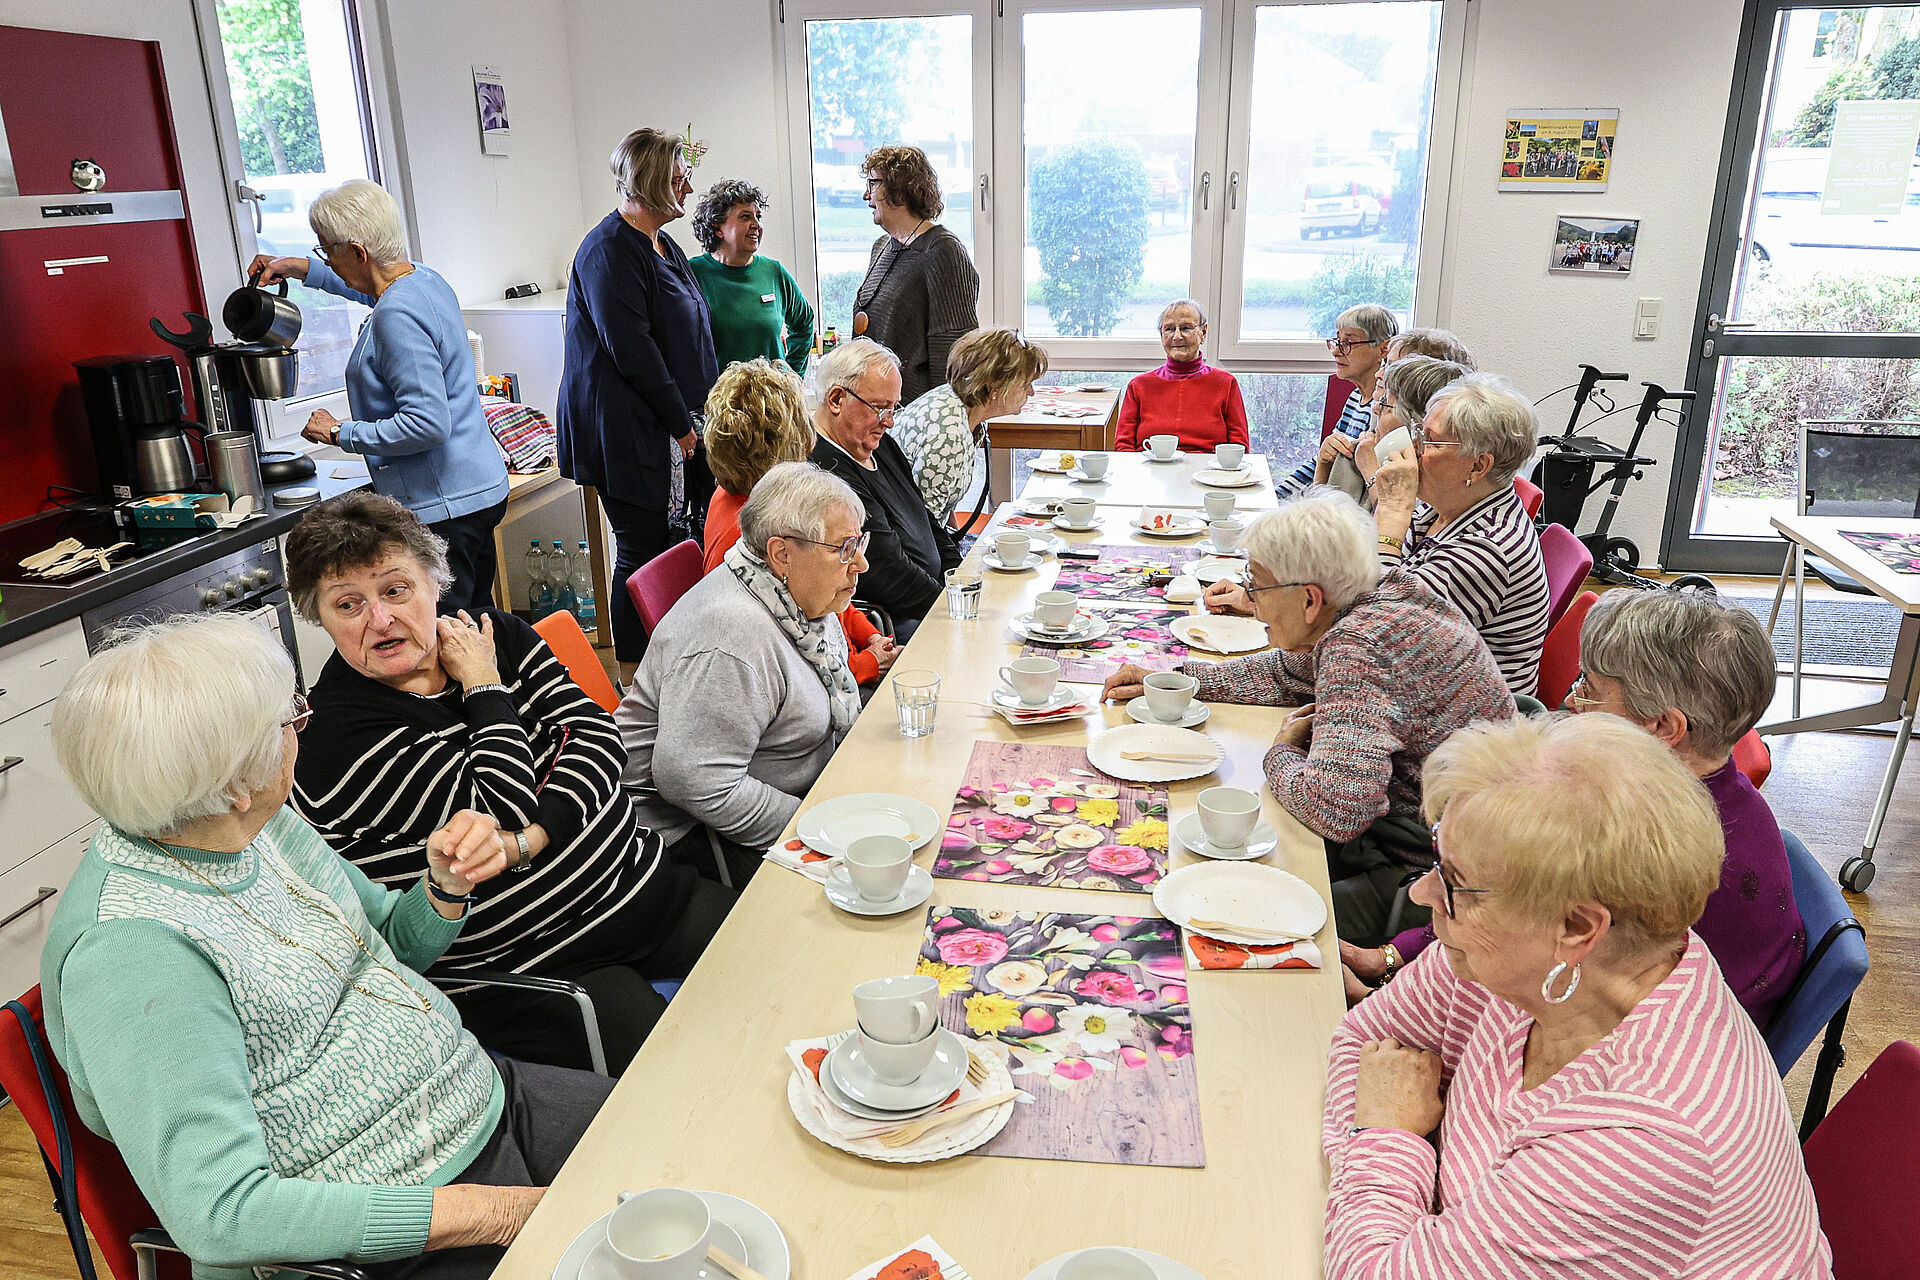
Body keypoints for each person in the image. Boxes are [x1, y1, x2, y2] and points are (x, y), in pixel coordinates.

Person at [43, 615, 613, 1280]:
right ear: (234, 781)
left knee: (684, 1147)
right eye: (287, 717)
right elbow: (222, 1213)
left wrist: (444, 887)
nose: (300, 724)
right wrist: (496, 1214)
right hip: (382, 1227)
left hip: (477, 1098)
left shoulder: (260, 824)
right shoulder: (131, 951)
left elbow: (391, 945)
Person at [1322, 713, 1832, 1279]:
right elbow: (1361, 1040)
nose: (1423, 893)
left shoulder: (1640, 1142)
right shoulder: (1518, 959)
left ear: (1576, 928)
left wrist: (1387, 1135)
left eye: (1456, 882)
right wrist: (1392, 1196)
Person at [286, 492, 733, 1075]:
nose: (381, 619)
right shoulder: (334, 737)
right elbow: (500, 806)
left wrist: (532, 841)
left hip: (642, 890)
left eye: (396, 590)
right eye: (348, 604)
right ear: (320, 618)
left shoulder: (492, 630)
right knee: (691, 1073)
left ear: (433, 581)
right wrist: (485, 688)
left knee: (785, 963)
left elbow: (598, 740)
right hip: (533, 966)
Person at [1346, 590, 1808, 1024]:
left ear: (1663, 726)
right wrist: (1391, 959)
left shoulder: (1634, 849)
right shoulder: (1702, 797)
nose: (1571, 700)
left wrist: (1376, 1002)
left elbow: (1520, 980)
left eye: (1591, 689)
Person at [1105, 489, 1514, 942]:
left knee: (1215, 907)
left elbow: (1336, 810)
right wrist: (1179, 680)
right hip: (1449, 839)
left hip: (1449, 882)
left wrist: (1280, 752)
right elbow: (1288, 673)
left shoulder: (1360, 647)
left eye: (1256, 585)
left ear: (1310, 600)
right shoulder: (1380, 594)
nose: (1253, 601)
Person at [251, 180, 509, 614]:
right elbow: (365, 285)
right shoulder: (422, 279)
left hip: (443, 506)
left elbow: (427, 423)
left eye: (326, 251)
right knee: (476, 624)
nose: (326, 260)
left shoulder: (396, 316)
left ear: (357, 252)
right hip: (478, 488)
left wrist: (339, 432)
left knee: (446, 637)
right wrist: (300, 269)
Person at [619, 462, 867, 886]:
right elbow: (693, 780)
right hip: (689, 837)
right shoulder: (732, 638)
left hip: (793, 794)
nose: (860, 563)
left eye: (860, 542)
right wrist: (815, 825)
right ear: (781, 553)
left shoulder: (796, 594)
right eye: (843, 548)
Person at [558, 128, 720, 679]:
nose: (689, 186)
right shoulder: (607, 251)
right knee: (643, 550)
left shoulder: (662, 242)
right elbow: (633, 350)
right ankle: (631, 677)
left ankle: (674, 666)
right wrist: (682, 423)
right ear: (652, 181)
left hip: (674, 421)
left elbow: (691, 329)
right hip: (626, 430)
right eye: (679, 178)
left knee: (676, 545)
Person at [701, 358, 899, 686]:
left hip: (841, 657)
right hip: (821, 679)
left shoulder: (736, 494)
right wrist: (869, 662)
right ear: (790, 440)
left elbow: (828, 595)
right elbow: (795, 652)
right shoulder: (755, 530)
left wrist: (870, 637)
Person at [1359, 373, 1552, 696]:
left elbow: (1379, 630)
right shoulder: (1443, 507)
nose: (1414, 448)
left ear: (1477, 467)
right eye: (1419, 433)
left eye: (1431, 441)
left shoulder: (1490, 547)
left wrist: (1392, 511)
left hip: (1466, 727)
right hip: (1415, 687)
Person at [809, 339, 960, 641]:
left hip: (931, 599)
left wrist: (960, 577)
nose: (889, 422)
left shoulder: (879, 444)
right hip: (898, 617)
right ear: (837, 399)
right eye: (880, 409)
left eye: (894, 407)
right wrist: (949, 606)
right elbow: (886, 571)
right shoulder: (825, 469)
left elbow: (927, 519)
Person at [851, 145, 980, 405]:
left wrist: (941, 424)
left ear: (900, 188)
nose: (867, 195)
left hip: (915, 417)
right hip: (877, 412)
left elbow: (953, 356)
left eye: (873, 184)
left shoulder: (943, 252)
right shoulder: (882, 246)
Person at [893, 327, 1049, 520]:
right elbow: (923, 525)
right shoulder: (949, 436)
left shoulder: (954, 404)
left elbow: (940, 509)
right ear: (993, 388)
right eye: (1025, 384)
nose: (1031, 392)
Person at [687, 178, 814, 374]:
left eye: (758, 217)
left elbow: (804, 323)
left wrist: (792, 376)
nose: (756, 225)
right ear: (718, 227)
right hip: (719, 401)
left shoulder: (774, 272)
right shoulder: (693, 273)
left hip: (771, 400)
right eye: (745, 217)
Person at [1278, 303, 1399, 496]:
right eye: (1337, 341)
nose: (1336, 351)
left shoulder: (1386, 410)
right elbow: (1325, 458)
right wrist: (1278, 496)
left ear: (1384, 350)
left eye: (1348, 343)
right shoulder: (1355, 398)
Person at [1313, 355, 1469, 502]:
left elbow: (1394, 526)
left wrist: (1370, 471)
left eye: (1385, 404)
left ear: (1418, 424)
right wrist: (1323, 467)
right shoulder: (1360, 452)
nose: (1375, 409)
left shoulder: (1430, 484)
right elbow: (1320, 524)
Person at [1113, 299, 1250, 454]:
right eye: (1169, 329)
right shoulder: (1138, 386)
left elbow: (1240, 448)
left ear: (1203, 333)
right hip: (1150, 473)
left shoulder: (1226, 384)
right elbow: (1123, 447)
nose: (1177, 336)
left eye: (1186, 328)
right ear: (1161, 334)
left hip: (1209, 474)